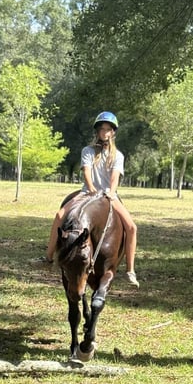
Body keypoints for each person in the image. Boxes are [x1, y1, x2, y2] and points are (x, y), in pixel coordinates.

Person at [40, 111, 139, 287]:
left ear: (113, 132)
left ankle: (130, 270)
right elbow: (86, 171)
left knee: (131, 227)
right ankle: (48, 257)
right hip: (87, 192)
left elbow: (115, 177)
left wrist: (111, 192)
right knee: (59, 215)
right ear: (97, 131)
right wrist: (91, 188)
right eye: (102, 129)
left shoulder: (118, 156)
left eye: (108, 129)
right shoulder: (88, 151)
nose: (105, 132)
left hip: (108, 194)